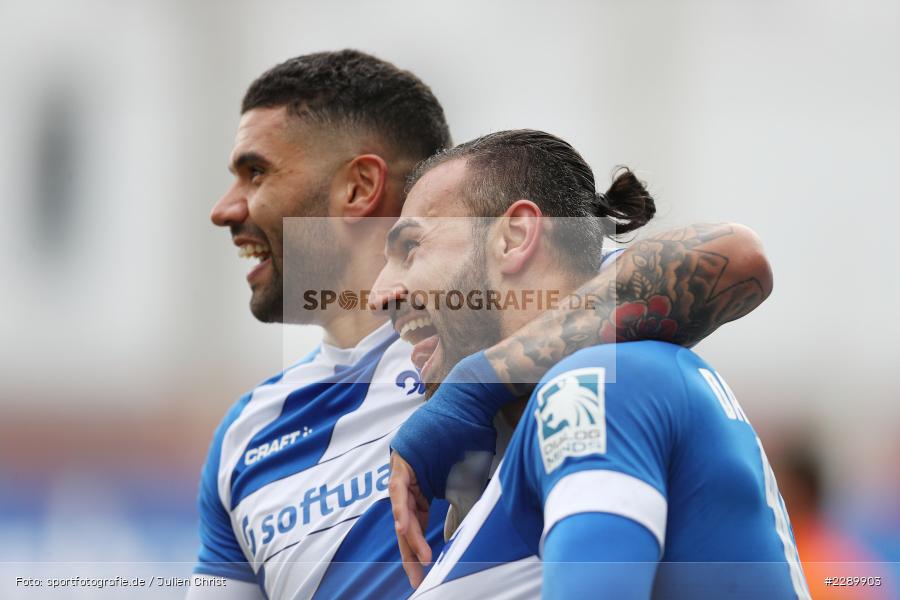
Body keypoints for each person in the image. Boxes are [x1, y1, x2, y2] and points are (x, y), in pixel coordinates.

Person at [190, 49, 774, 599]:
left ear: (359, 187)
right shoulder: (247, 436)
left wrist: (474, 386)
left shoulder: (533, 315)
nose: (224, 208)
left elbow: (733, 257)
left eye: (256, 173)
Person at [373, 129, 810, 598]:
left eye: (412, 249)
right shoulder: (543, 421)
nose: (379, 294)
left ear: (514, 238)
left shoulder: (589, 387)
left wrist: (475, 382)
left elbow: (737, 253)